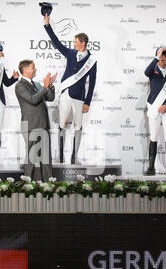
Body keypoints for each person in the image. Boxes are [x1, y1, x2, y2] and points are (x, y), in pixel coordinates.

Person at [44, 13, 97, 164]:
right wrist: (47, 25)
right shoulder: (70, 53)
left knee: (78, 127)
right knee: (61, 125)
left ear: (83, 43)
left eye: (76, 42)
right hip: (65, 94)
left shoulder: (92, 60)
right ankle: (60, 156)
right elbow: (56, 42)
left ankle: (74, 157)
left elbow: (92, 82)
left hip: (79, 97)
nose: (73, 44)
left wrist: (88, 102)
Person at [15, 59, 56, 181]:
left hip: (43, 124)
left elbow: (50, 98)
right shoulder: (20, 85)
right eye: (33, 67)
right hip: (31, 126)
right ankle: (27, 185)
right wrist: (45, 86)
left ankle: (48, 184)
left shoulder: (36, 84)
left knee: (46, 159)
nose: (36, 69)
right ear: (25, 69)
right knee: (31, 158)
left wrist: (50, 86)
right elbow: (33, 100)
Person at [144, 47, 166, 176]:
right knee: (153, 137)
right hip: (154, 107)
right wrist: (155, 58)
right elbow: (146, 72)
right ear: (158, 58)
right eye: (161, 59)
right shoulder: (153, 70)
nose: (164, 62)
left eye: (165, 59)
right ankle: (151, 167)